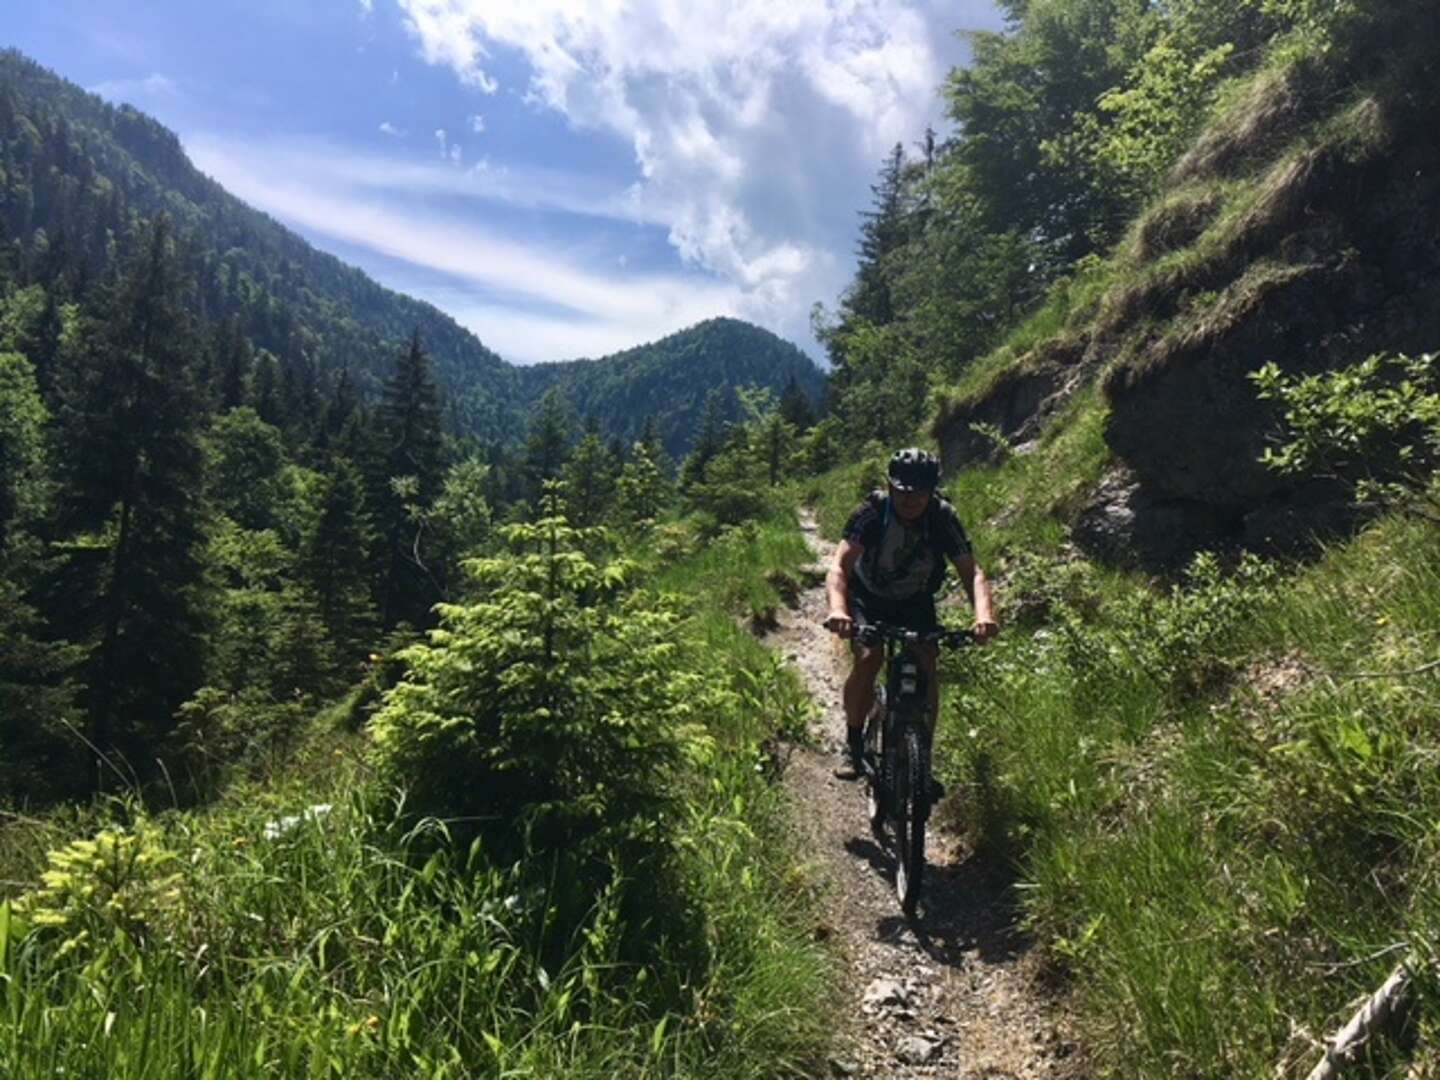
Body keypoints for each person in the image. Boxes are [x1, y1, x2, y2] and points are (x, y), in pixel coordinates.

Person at [823, 447, 998, 780]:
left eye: (918, 493)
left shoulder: (943, 518)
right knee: (868, 658)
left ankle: (922, 758)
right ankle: (854, 744)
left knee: (926, 663)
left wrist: (984, 616)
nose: (910, 500)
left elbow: (972, 572)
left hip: (914, 600)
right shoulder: (872, 513)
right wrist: (838, 609)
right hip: (867, 596)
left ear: (931, 491)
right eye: (902, 491)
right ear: (890, 487)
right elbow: (839, 567)